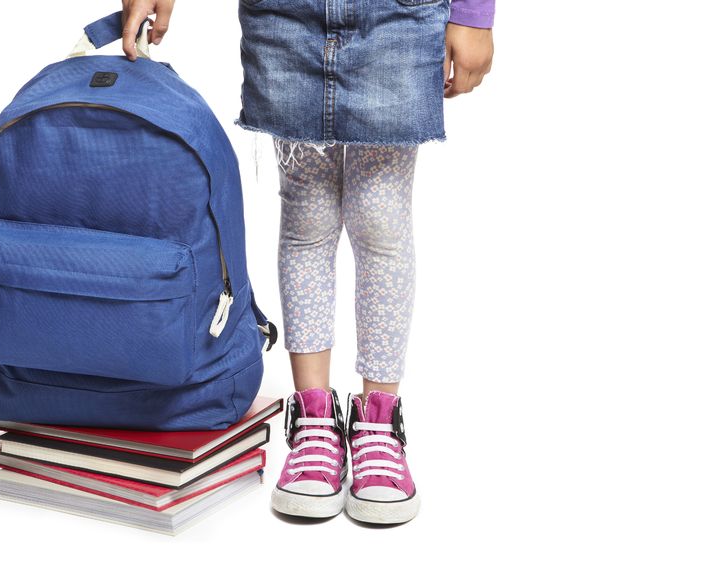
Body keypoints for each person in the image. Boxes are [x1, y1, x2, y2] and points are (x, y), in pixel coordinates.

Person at [121, 0, 495, 525]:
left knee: (381, 219)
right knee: (307, 216)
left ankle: (379, 422)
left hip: (398, 16)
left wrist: (475, 12)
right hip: (285, 15)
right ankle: (314, 416)